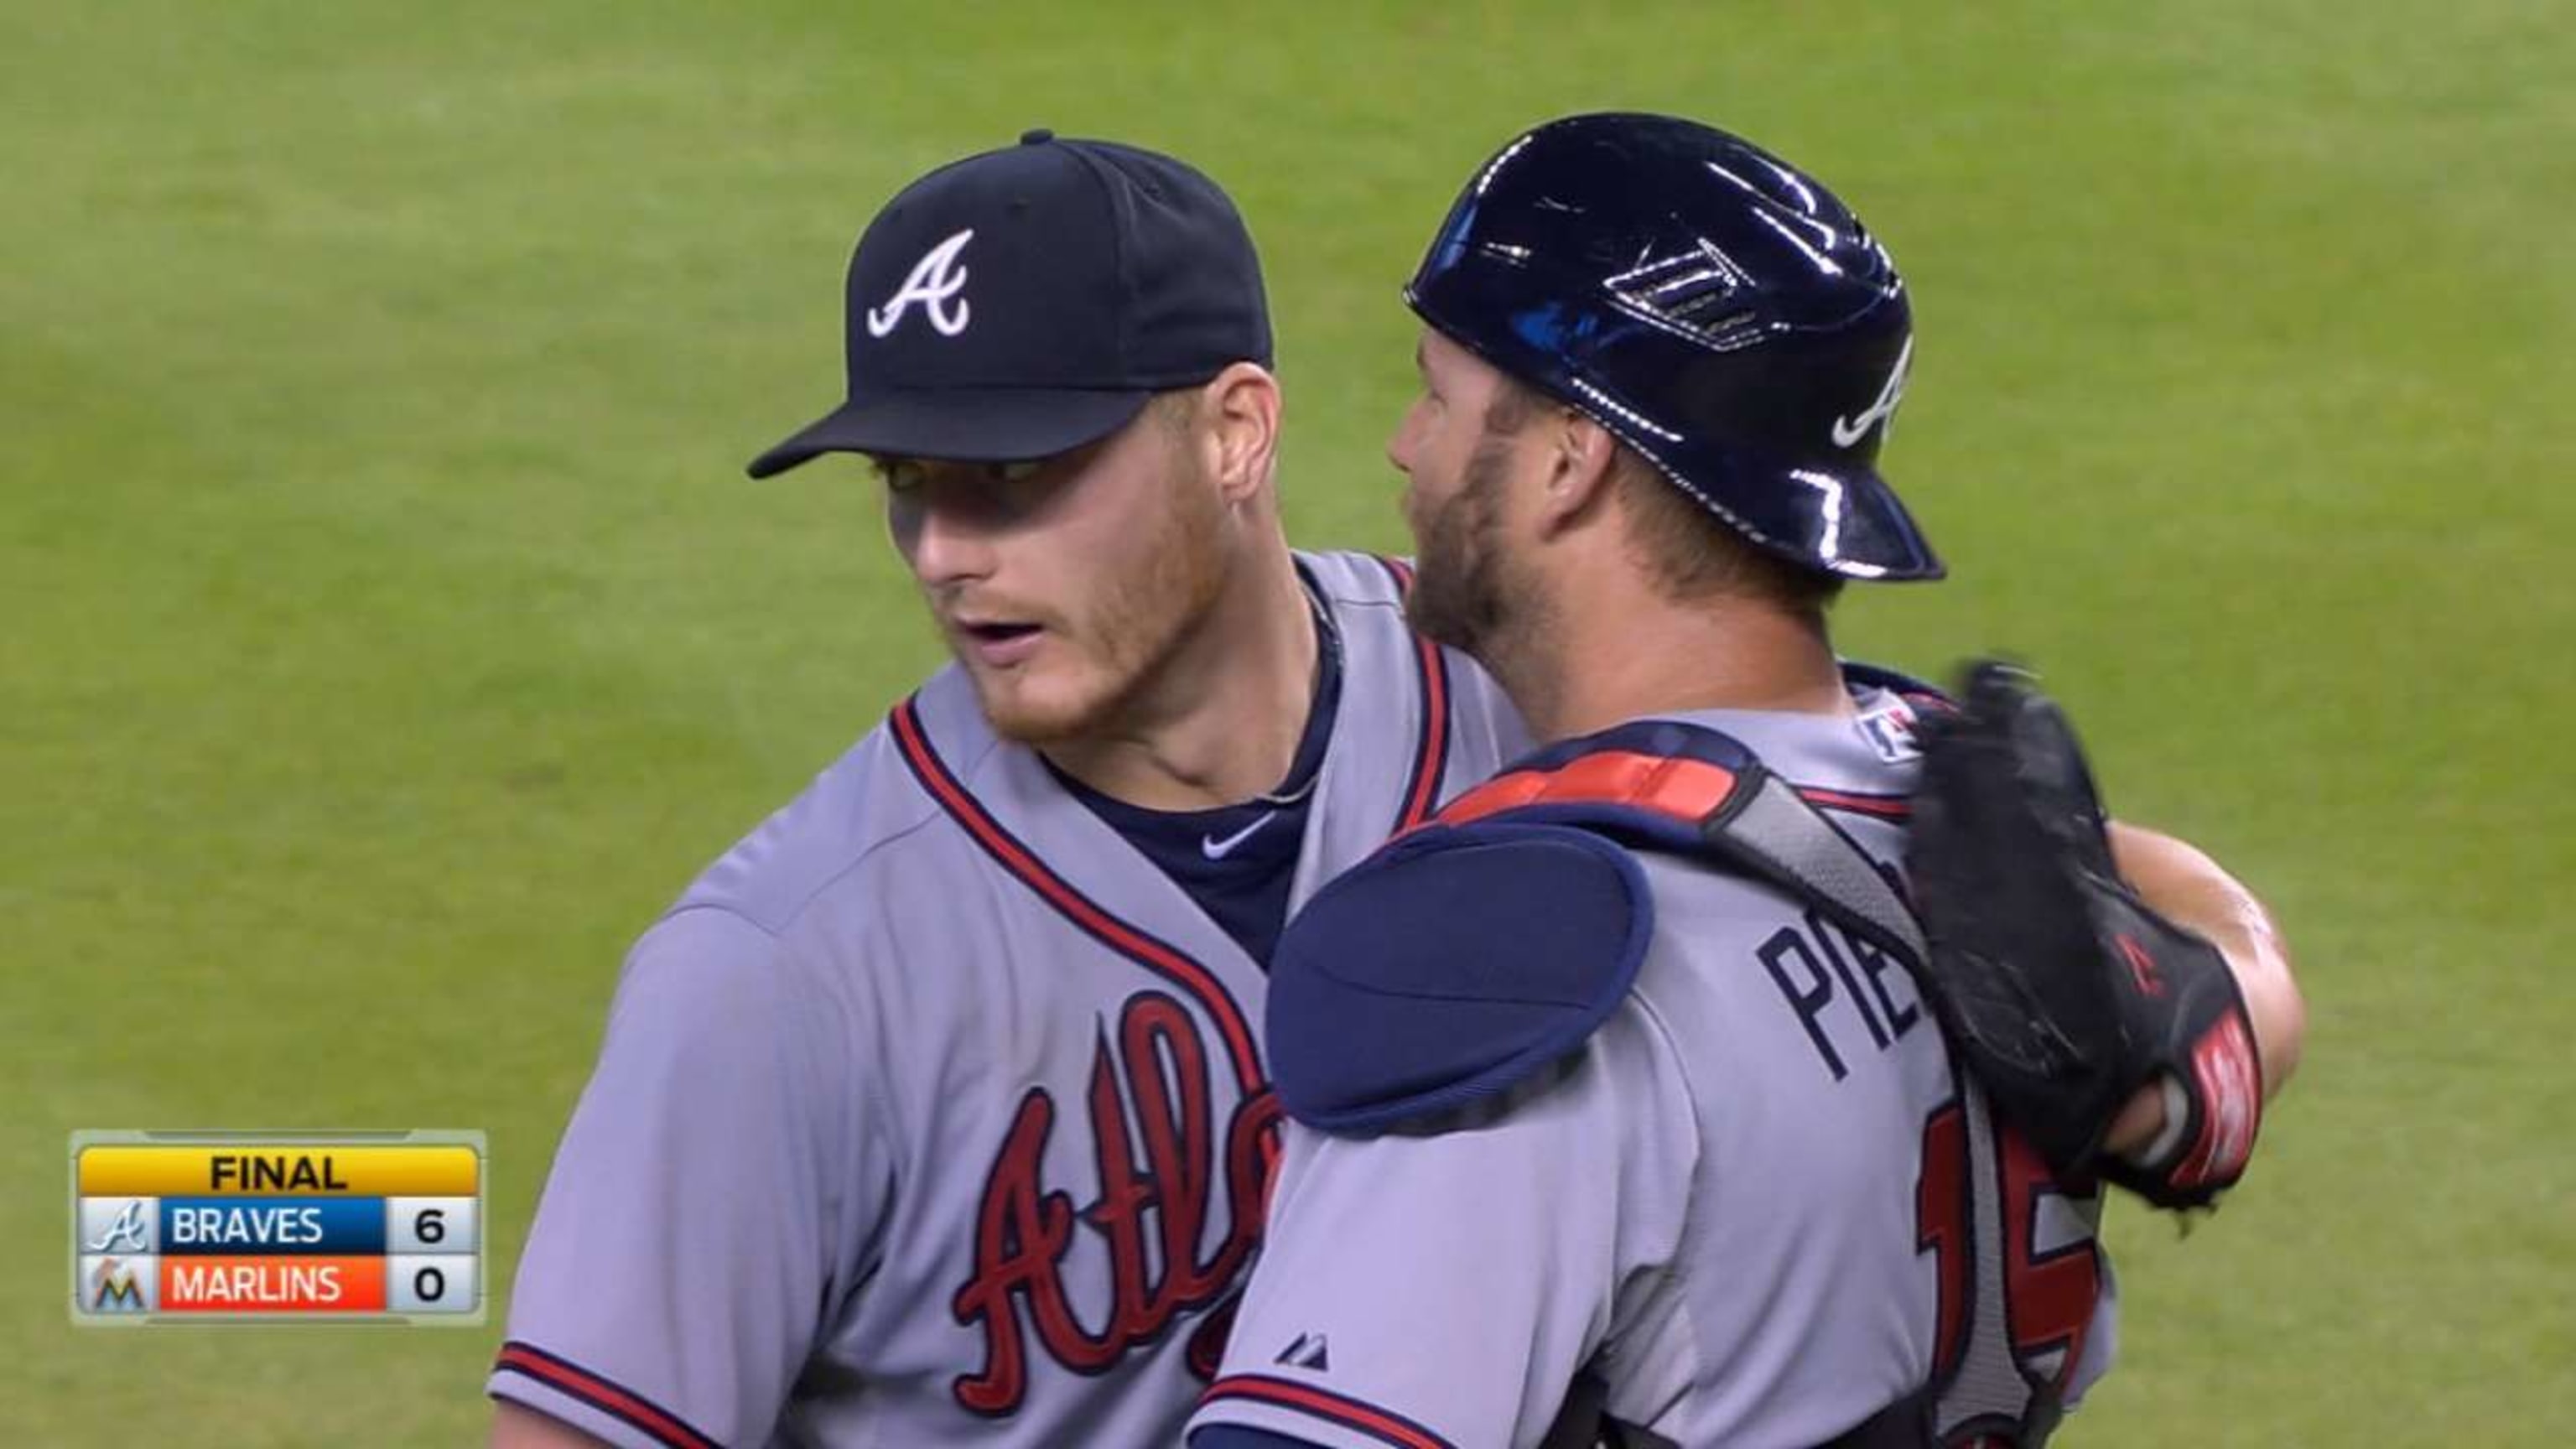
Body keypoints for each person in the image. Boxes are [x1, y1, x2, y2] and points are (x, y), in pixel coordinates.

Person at [486, 127, 2301, 1449]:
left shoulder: (1527, 721)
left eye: (1021, 475)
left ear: (1233, 430)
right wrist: (2200, 1049)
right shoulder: (777, 971)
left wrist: (2189, 1019)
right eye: (908, 480)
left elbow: (2027, 884)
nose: (950, 554)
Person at [1187, 113, 2303, 1449]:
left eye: (1440, 392)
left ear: (1567, 459)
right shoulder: (1945, 810)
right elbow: (2209, 926)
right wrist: (2193, 1068)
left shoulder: (1527, 980)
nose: (1404, 447)